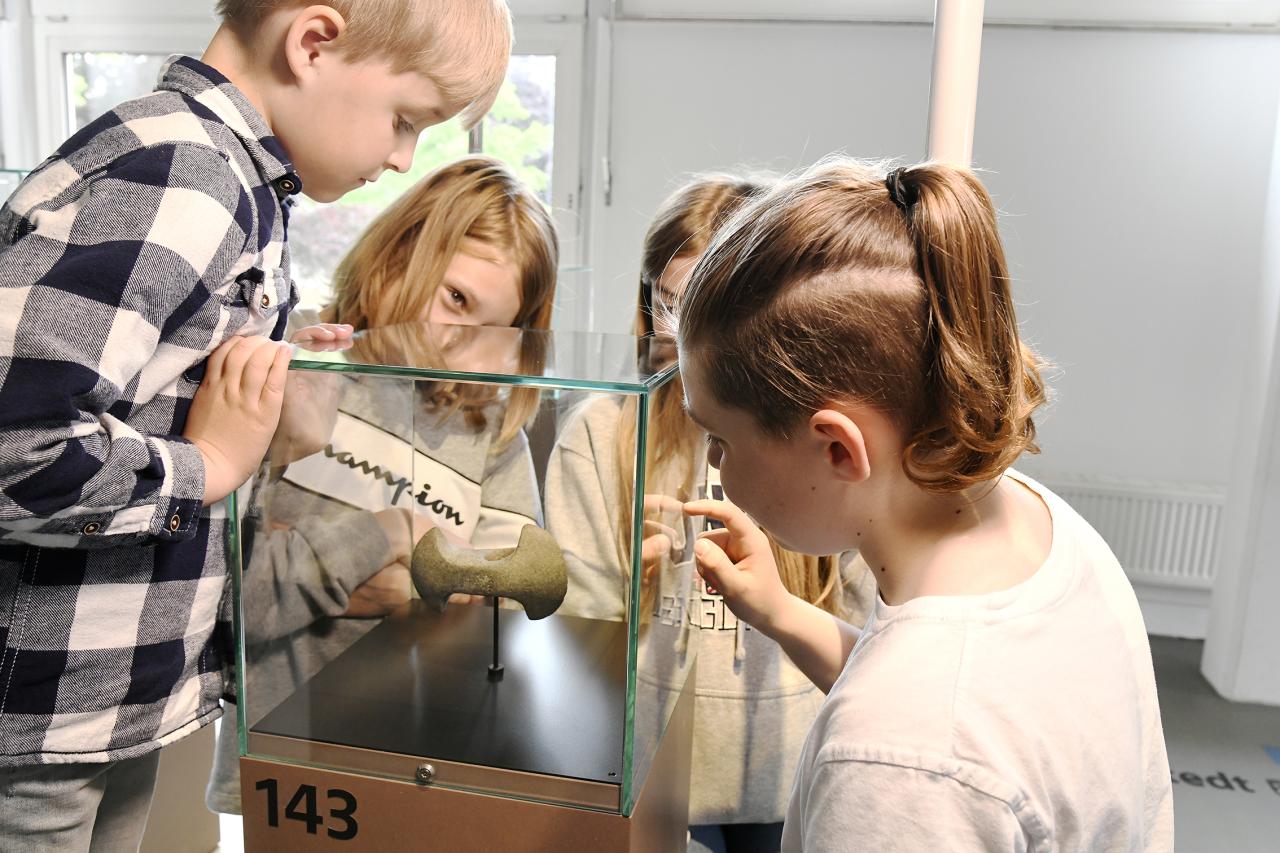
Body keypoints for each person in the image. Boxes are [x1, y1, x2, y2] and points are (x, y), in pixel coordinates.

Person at [0, 1, 512, 848]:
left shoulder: (239, 188)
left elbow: (141, 373)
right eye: (405, 120)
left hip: (108, 703)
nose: (399, 157)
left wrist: (269, 374)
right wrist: (207, 463)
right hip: (46, 711)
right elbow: (19, 441)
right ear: (313, 43)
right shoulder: (185, 176)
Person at [679, 159, 1174, 852]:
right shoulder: (1047, 529)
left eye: (720, 437)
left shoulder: (896, 762)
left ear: (838, 450)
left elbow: (915, 728)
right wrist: (780, 611)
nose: (712, 463)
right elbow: (925, 678)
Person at [205, 155, 559, 814]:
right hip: (292, 767)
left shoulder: (490, 420)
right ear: (399, 255)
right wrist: (390, 540)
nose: (458, 341)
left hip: (435, 756)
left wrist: (402, 585)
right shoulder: (299, 369)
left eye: (490, 327)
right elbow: (233, 604)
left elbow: (517, 601)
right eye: (455, 298)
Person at [544, 175, 874, 853]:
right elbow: (574, 633)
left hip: (793, 762)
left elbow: (875, 628)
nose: (685, 338)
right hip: (650, 763)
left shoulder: (829, 446)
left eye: (706, 310)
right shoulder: (602, 434)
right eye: (668, 306)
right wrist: (616, 595)